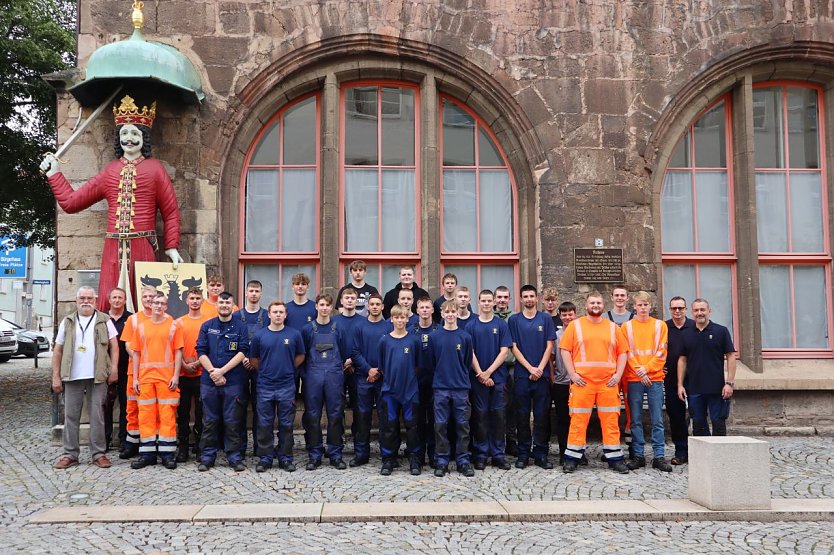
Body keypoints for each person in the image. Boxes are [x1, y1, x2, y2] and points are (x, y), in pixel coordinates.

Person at [41, 96, 181, 312]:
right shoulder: (110, 171)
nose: (129, 138)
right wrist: (55, 174)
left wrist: (171, 246)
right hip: (112, 247)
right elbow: (71, 202)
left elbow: (171, 211)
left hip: (143, 245)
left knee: (145, 302)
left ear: (144, 137)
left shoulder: (155, 169)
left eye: (135, 133)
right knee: (109, 302)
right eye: (124, 133)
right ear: (118, 137)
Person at [560, 291, 630, 474]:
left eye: (598, 302)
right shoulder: (575, 326)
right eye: (592, 302)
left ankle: (615, 458)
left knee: (611, 421)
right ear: (586, 305)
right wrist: (573, 374)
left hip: (608, 383)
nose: (596, 305)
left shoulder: (613, 327)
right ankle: (572, 459)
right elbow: (565, 351)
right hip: (582, 382)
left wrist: (618, 375)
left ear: (603, 305)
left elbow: (623, 352)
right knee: (578, 420)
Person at [52, 286, 119, 470]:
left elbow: (114, 346)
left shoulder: (105, 320)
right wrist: (56, 376)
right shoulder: (68, 321)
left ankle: (98, 453)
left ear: (95, 301)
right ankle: (70, 454)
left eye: (89, 298)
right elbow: (58, 350)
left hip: (97, 376)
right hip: (72, 376)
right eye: (82, 298)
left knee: (97, 415)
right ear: (76, 300)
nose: (86, 301)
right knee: (71, 416)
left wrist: (113, 369)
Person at [196, 291, 250, 471]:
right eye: (221, 303)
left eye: (227, 303)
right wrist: (213, 372)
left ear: (233, 305)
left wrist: (222, 371)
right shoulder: (207, 326)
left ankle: (234, 457)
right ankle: (207, 457)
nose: (224, 305)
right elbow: (201, 351)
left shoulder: (241, 326)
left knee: (232, 421)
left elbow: (243, 351)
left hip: (234, 381)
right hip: (209, 382)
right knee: (209, 421)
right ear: (216, 305)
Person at [130, 293, 183, 470]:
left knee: (167, 416)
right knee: (146, 416)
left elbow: (178, 352)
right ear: (150, 305)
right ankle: (147, 454)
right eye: (156, 303)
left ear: (166, 307)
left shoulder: (174, 326)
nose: (158, 306)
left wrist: (176, 376)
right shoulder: (141, 327)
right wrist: (135, 378)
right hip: (145, 379)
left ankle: (167, 454)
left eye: (162, 303)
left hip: (166, 379)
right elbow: (136, 353)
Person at [250, 302, 305, 473]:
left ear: (286, 315)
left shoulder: (294, 334)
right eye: (275, 312)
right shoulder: (260, 335)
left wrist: (287, 368)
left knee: (286, 424)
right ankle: (265, 458)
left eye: (281, 312)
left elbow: (300, 355)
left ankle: (285, 457)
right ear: (269, 314)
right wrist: (266, 371)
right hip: (265, 385)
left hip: (286, 385)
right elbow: (254, 359)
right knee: (264, 424)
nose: (278, 315)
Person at [622, 292, 672, 472]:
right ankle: (638, 455)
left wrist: (647, 370)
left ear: (650, 306)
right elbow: (627, 353)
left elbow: (662, 352)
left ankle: (659, 456)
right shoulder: (626, 327)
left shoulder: (660, 326)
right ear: (634, 306)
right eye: (639, 305)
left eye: (646, 305)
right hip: (635, 379)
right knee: (635, 419)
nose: (643, 308)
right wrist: (640, 371)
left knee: (657, 419)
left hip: (655, 378)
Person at [508, 284, 556, 469]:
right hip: (522, 376)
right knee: (521, 416)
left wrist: (539, 369)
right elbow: (513, 347)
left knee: (542, 416)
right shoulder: (514, 320)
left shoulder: (545, 319)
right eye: (525, 296)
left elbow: (549, 346)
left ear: (537, 299)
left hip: (542, 377)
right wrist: (530, 368)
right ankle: (523, 453)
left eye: (531, 296)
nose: (529, 299)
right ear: (521, 299)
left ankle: (541, 454)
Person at [466, 289, 512, 470]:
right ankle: (481, 454)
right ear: (478, 302)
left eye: (488, 300)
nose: (486, 303)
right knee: (480, 417)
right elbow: (470, 352)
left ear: (493, 302)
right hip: (478, 379)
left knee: (498, 416)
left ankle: (498, 454)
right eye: (483, 300)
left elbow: (504, 351)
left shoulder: (501, 325)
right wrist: (481, 374)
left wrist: (489, 372)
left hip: (498, 378)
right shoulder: (471, 326)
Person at [301, 294, 348, 470]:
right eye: (321, 304)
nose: (324, 308)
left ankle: (335, 454)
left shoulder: (339, 328)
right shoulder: (307, 329)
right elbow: (302, 354)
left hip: (334, 376)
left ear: (331, 308)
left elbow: (344, 352)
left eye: (328, 305)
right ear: (316, 306)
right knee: (313, 416)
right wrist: (306, 376)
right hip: (313, 376)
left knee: (335, 415)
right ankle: (315, 454)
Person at [677, 298, 737, 437]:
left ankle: (720, 458)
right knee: (698, 425)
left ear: (709, 311)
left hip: (717, 388)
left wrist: (729, 383)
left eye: (702, 310)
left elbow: (731, 356)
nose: (700, 313)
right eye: (696, 310)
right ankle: (702, 458)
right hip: (694, 389)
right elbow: (682, 359)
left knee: (718, 424)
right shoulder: (686, 334)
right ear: (692, 313)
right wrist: (680, 385)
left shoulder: (721, 331)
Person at [429, 300, 475, 477]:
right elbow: (432, 362)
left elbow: (466, 361)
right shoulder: (434, 336)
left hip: (460, 387)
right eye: (446, 312)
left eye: (453, 311)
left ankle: (463, 459)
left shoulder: (465, 337)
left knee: (462, 425)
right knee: (440, 425)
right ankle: (442, 460)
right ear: (441, 314)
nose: (450, 315)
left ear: (457, 313)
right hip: (441, 387)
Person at [378, 306, 423, 475]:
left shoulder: (414, 341)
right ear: (391, 319)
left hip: (410, 391)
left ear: (407, 319)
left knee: (412, 427)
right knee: (389, 426)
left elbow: (417, 366)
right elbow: (382, 367)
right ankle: (389, 459)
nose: (400, 320)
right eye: (396, 317)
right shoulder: (384, 341)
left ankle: (414, 459)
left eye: (403, 317)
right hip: (390, 391)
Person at [350, 294, 393, 466]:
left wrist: (379, 370)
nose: (375, 307)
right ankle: (361, 454)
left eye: (378, 304)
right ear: (367, 306)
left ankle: (387, 455)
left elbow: (391, 350)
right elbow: (355, 352)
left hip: (384, 379)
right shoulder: (359, 327)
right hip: (363, 378)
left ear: (383, 307)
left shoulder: (388, 326)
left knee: (385, 418)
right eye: (372, 304)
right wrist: (368, 369)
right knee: (362, 417)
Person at [118, 284, 158, 458]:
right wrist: (139, 358)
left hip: (156, 372)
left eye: (151, 297)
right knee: (132, 407)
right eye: (145, 297)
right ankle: (132, 443)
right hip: (134, 371)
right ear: (141, 299)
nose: (148, 300)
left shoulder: (164, 318)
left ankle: (152, 442)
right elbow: (127, 344)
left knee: (154, 409)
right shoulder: (133, 319)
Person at [235, 280, 270, 457]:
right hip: (239, 367)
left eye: (257, 291)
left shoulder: (266, 316)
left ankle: (259, 446)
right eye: (251, 290)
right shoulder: (236, 316)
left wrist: (255, 360)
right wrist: (242, 358)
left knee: (260, 408)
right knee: (239, 407)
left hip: (260, 367)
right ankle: (240, 447)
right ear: (245, 293)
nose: (254, 294)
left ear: (261, 293)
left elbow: (269, 342)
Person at [174, 287, 209, 462]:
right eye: (192, 298)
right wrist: (183, 365)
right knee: (183, 412)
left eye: (197, 298)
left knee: (202, 412)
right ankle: (183, 447)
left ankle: (200, 446)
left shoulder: (209, 322)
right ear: (186, 301)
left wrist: (197, 363)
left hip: (202, 374)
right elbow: (174, 348)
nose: (195, 301)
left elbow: (211, 348)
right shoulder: (178, 322)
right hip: (182, 374)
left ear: (202, 301)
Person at [603, 285, 635, 456]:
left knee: (631, 408)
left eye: (623, 295)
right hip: (610, 371)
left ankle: (632, 445)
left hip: (629, 370)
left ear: (627, 298)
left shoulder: (634, 318)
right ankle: (611, 445)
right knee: (611, 409)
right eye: (617, 295)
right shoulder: (604, 318)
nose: (620, 298)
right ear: (612, 297)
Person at [331, 288, 363, 454]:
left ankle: (359, 446)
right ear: (341, 302)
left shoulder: (363, 321)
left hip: (358, 371)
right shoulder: (334, 322)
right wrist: (343, 362)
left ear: (357, 301)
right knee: (336, 408)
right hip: (337, 370)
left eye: (353, 298)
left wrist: (352, 361)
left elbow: (365, 346)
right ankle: (337, 445)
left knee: (359, 409)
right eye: (347, 298)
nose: (350, 300)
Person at [665, 296, 693, 464]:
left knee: (697, 416)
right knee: (676, 417)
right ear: (670, 310)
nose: (677, 311)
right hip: (670, 379)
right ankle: (681, 451)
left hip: (694, 378)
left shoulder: (694, 326)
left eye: (680, 308)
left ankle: (698, 451)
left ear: (685, 309)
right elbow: (657, 350)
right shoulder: (664, 327)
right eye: (674, 308)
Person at [103, 287, 132, 452]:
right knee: (105, 405)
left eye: (120, 298)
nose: (117, 301)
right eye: (114, 297)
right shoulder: (102, 318)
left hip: (126, 368)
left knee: (126, 405)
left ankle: (123, 440)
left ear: (125, 300)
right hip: (105, 368)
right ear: (109, 299)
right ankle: (104, 440)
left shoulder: (131, 319)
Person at [411, 296, 439, 466]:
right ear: (417, 310)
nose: (425, 310)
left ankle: (434, 454)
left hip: (436, 383)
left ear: (433, 310)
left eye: (427, 307)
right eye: (422, 308)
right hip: (415, 383)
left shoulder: (440, 331)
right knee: (418, 421)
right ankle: (418, 455)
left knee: (436, 421)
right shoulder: (410, 331)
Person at [493, 285, 518, 457]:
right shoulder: (488, 317)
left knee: (512, 406)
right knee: (496, 406)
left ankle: (511, 440)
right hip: (495, 367)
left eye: (505, 297)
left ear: (510, 299)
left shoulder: (514, 319)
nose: (502, 300)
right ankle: (494, 440)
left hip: (513, 366)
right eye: (499, 297)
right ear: (494, 299)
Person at [551, 301, 577, 464]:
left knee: (578, 419)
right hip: (561, 382)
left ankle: (578, 452)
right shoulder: (557, 336)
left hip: (579, 383)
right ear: (560, 317)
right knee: (562, 419)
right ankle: (563, 452)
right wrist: (553, 377)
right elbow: (551, 357)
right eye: (564, 314)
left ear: (575, 314)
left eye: (570, 314)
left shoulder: (581, 333)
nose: (568, 317)